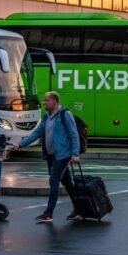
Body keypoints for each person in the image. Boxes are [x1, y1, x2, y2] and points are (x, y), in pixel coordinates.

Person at [17, 91, 80, 223]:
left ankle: (49, 213)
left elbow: (74, 134)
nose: (44, 102)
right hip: (51, 155)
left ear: (55, 102)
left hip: (63, 155)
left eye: (47, 100)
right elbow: (36, 134)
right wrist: (20, 144)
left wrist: (75, 153)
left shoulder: (64, 115)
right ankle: (79, 208)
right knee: (67, 182)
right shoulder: (46, 118)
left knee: (53, 181)